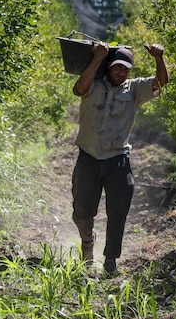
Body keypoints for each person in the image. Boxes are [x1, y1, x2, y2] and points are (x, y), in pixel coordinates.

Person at [71, 40, 169, 275]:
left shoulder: (134, 90)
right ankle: (87, 242)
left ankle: (110, 259)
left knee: (118, 211)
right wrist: (98, 56)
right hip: (89, 158)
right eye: (117, 67)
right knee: (82, 213)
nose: (121, 72)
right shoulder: (93, 84)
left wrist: (158, 58)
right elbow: (78, 89)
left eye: (125, 69)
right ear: (108, 67)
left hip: (117, 160)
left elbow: (161, 82)